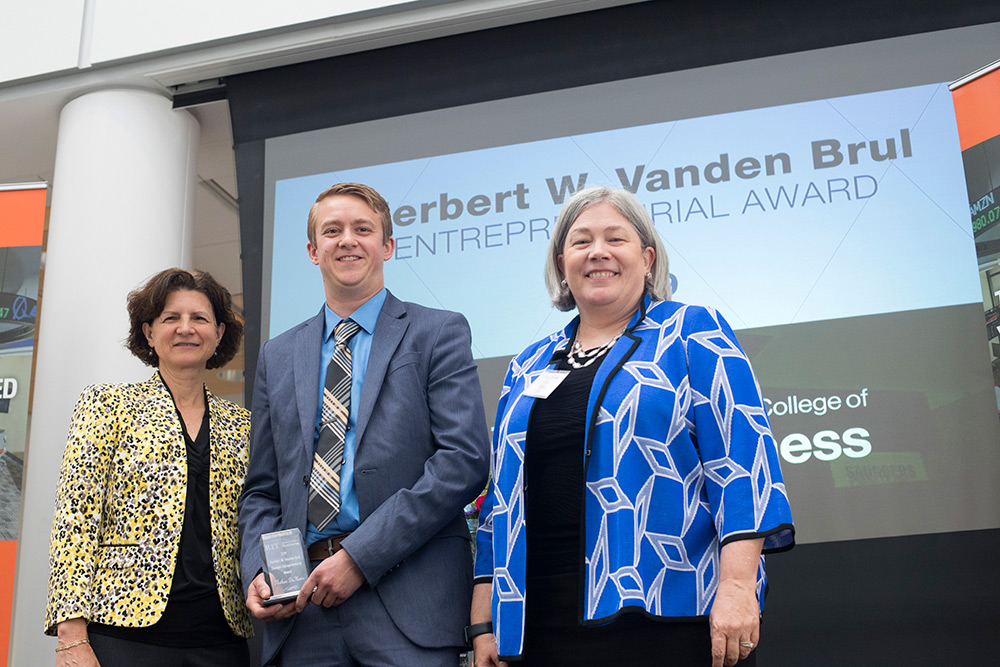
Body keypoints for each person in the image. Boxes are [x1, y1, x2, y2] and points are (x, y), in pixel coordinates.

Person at [470, 186, 795, 667]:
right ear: (562, 264)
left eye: (614, 238)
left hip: (667, 613)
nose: (597, 251)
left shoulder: (691, 331)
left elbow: (744, 465)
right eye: (581, 241)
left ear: (647, 258)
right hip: (540, 624)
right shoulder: (527, 364)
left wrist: (736, 587)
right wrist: (484, 623)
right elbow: (500, 501)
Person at [239, 182, 490, 666]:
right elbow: (262, 491)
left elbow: (463, 461)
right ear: (313, 251)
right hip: (301, 612)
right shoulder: (278, 354)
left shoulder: (438, 331)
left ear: (388, 246)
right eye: (331, 231)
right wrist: (260, 570)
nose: (347, 240)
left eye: (363, 229)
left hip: (406, 605)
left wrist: (359, 558)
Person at [45, 268, 252, 666]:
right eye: (171, 318)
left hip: (221, 639)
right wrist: (71, 637)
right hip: (123, 636)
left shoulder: (243, 425)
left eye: (200, 318)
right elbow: (75, 519)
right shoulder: (107, 405)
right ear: (149, 332)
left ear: (220, 333)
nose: (185, 329)